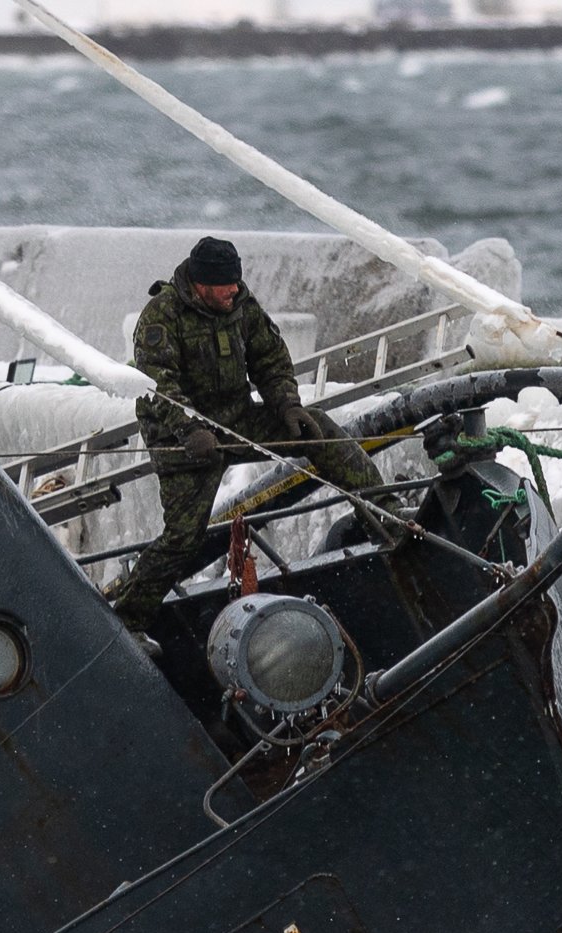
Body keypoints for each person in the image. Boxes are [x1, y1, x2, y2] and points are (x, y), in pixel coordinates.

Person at [110, 237, 382, 642]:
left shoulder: (240, 305)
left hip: (237, 418)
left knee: (318, 428)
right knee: (182, 538)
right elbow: (157, 384)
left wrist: (288, 405)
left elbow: (270, 359)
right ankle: (128, 620)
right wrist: (189, 429)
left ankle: (383, 512)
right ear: (201, 285)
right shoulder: (161, 317)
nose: (234, 290)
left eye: (236, 282)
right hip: (182, 435)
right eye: (225, 285)